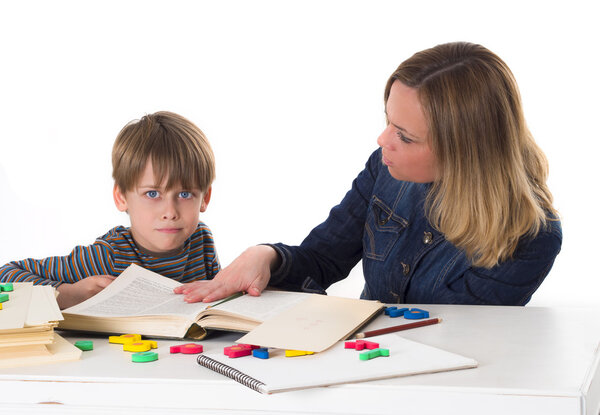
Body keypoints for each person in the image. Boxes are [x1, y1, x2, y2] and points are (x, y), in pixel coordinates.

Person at [174, 42, 562, 306]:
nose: (382, 141)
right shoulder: (386, 168)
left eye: (405, 137)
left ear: (466, 153)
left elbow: (454, 338)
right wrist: (267, 257)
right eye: (388, 122)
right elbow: (322, 258)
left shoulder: (531, 238)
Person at [0, 111, 219, 309]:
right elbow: (6, 275)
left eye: (184, 194)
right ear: (121, 197)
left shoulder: (202, 241)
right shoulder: (109, 255)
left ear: (204, 198)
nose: (170, 212)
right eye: (152, 194)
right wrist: (70, 295)